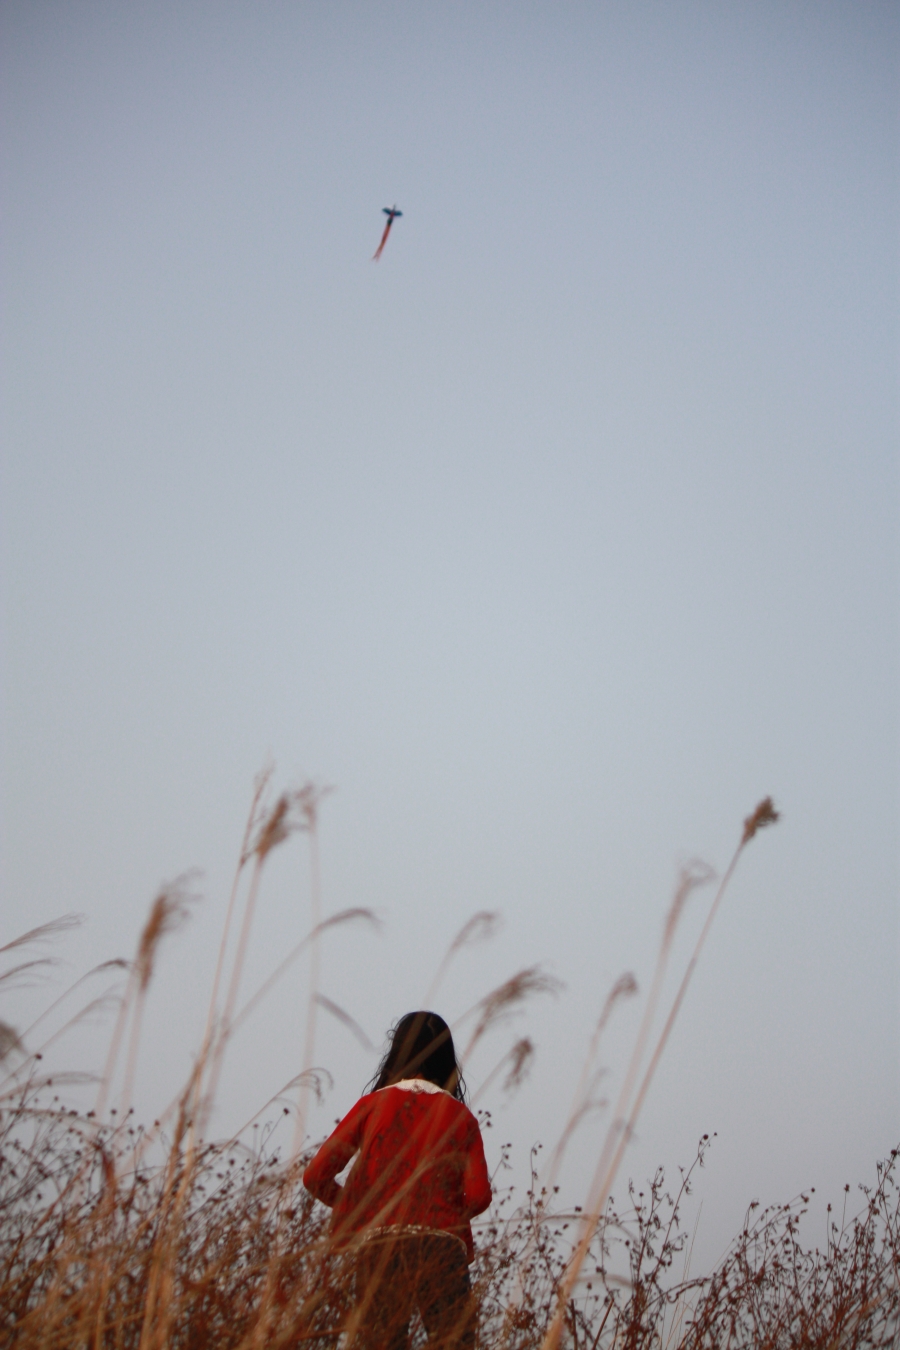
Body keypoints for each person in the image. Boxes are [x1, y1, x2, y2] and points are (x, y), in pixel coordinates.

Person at [303, 1011, 492, 1350]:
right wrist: (445, 1214)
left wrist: (358, 1207)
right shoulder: (461, 1118)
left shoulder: (371, 1106)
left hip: (381, 1247)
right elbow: (479, 1195)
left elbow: (316, 1175)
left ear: (397, 1053)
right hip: (442, 1248)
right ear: (446, 1059)